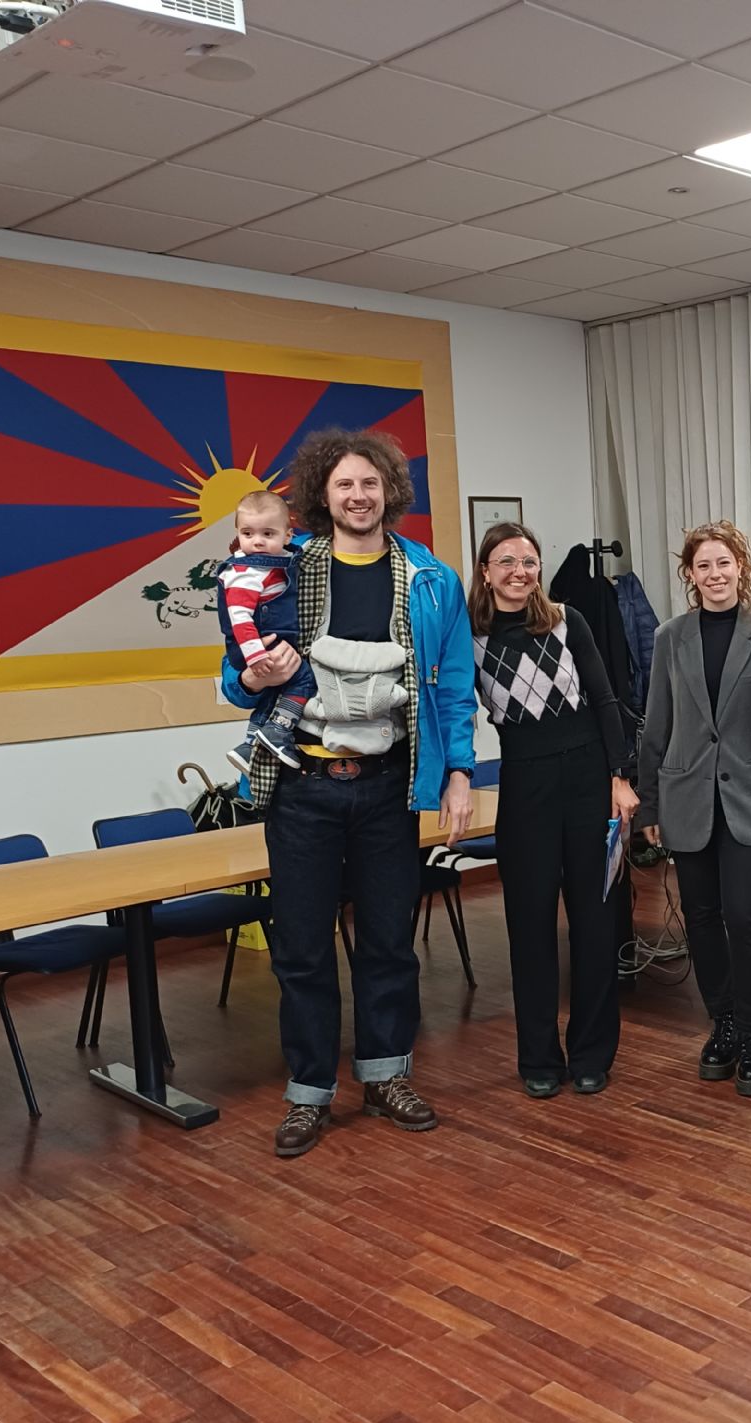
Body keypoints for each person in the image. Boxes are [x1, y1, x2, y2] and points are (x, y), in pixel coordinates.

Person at [220, 427, 477, 1159]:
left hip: (390, 787)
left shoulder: (431, 579)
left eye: (370, 483)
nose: (358, 496)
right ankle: (309, 1092)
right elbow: (233, 673)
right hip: (302, 789)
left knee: (389, 943)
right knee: (301, 949)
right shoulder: (283, 567)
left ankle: (387, 1075)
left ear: (389, 490)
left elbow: (454, 685)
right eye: (344, 485)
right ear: (322, 495)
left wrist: (459, 772)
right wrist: (252, 678)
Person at [468, 522, 639, 1098]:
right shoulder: (468, 634)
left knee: (595, 924)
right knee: (530, 927)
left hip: (588, 779)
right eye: (507, 561)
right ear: (486, 570)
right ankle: (538, 1058)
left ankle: (592, 1053)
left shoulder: (568, 620)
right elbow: (451, 706)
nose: (520, 571)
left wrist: (620, 777)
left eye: (529, 561)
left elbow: (605, 698)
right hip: (525, 784)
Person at [637, 521, 751, 1098]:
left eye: (723, 563)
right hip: (686, 799)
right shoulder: (669, 637)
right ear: (690, 574)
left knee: (745, 916)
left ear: (740, 568)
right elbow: (657, 725)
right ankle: (723, 1022)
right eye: (703, 566)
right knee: (701, 917)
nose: (715, 575)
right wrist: (649, 804)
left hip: (748, 801)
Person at [219, 489, 316, 775]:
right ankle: (278, 729)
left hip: (271, 644)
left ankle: (251, 745)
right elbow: (239, 619)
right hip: (261, 646)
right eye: (248, 533)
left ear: (287, 534)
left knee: (279, 691)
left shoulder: (288, 558)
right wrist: (253, 666)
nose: (258, 541)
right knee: (303, 677)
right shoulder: (248, 570)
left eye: (267, 534)